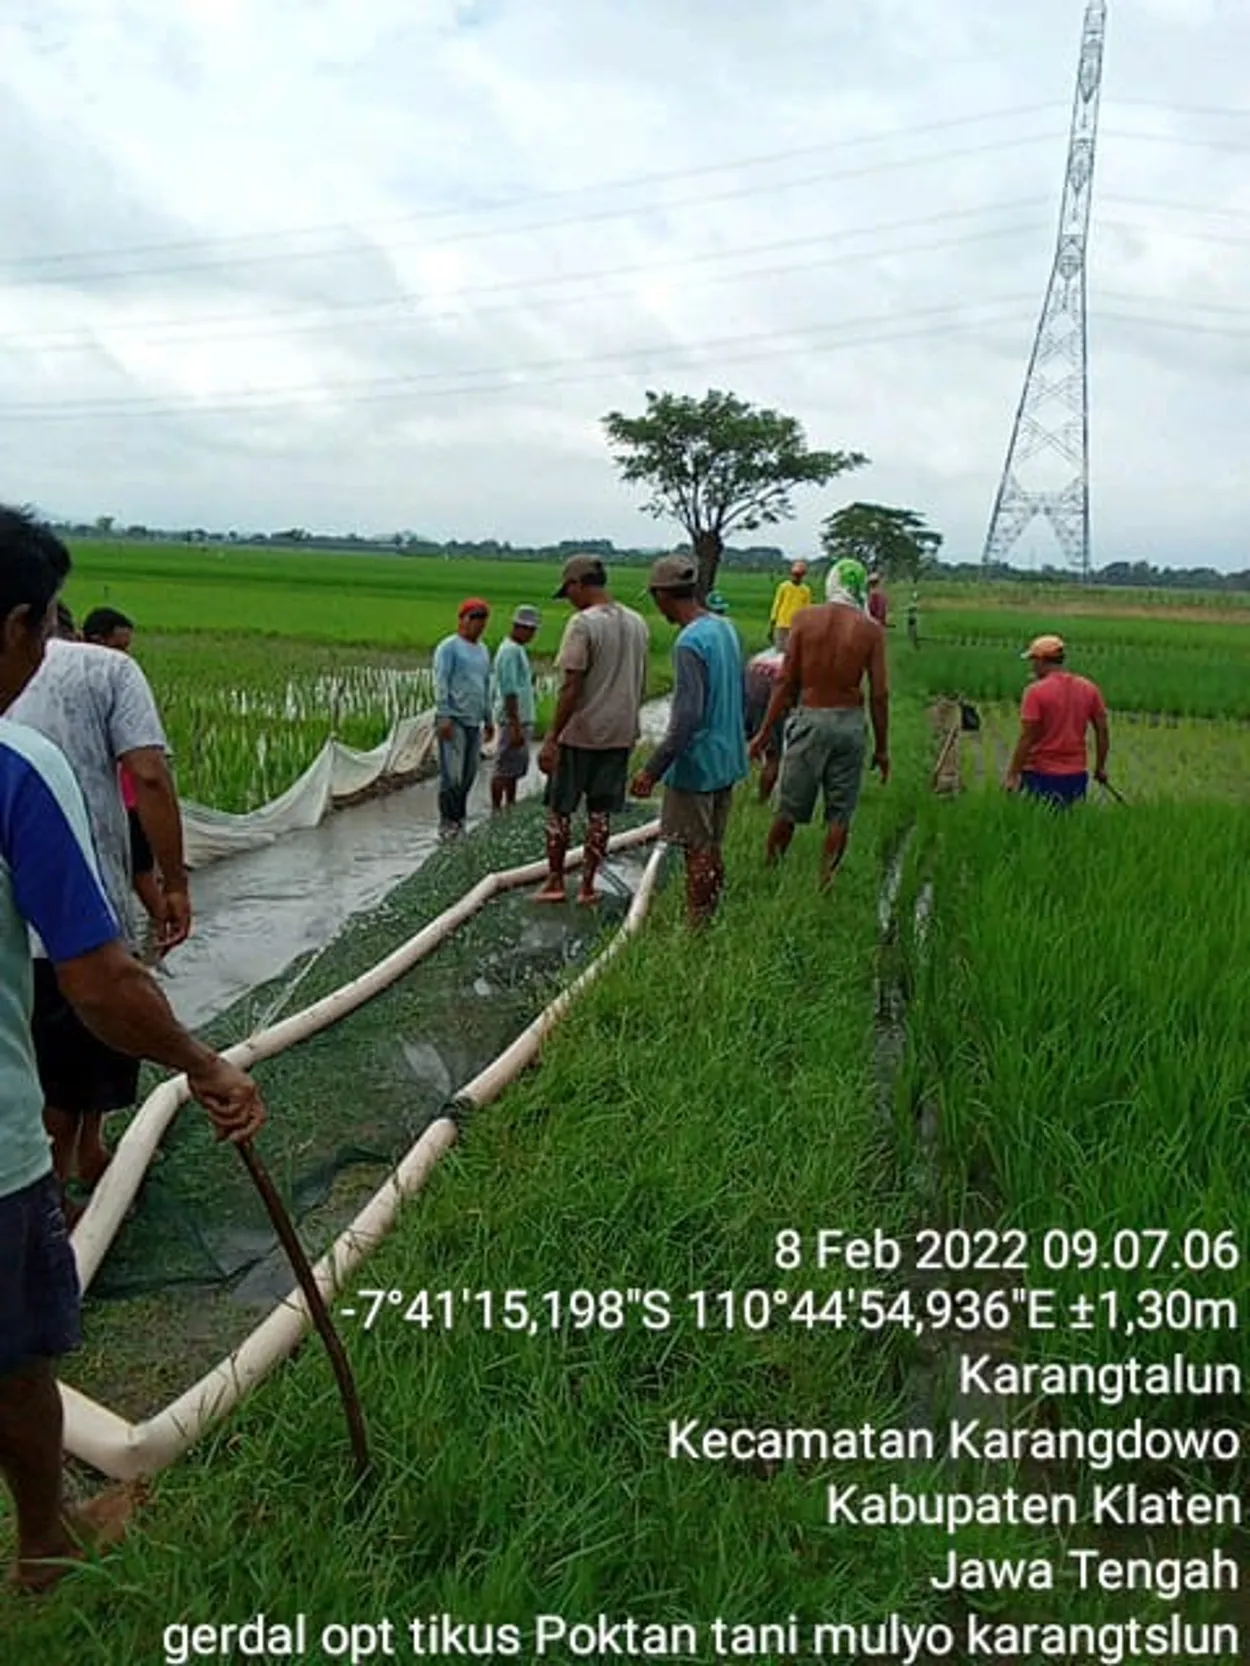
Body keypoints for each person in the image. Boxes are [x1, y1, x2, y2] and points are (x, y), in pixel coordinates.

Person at [0, 505, 265, 1593]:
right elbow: (99, 981)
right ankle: (48, 1546)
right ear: (22, 626)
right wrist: (203, 1063)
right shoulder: (17, 767)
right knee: (17, 1352)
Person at [13, 599, 192, 1211]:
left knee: (46, 1060)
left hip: (18, 928)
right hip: (79, 917)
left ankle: (84, 1161)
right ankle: (54, 1201)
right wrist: (175, 884)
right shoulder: (109, 671)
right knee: (81, 1050)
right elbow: (148, 775)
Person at [749, 557, 889, 889]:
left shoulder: (805, 620)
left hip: (810, 716)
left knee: (788, 806)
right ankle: (825, 881)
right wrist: (882, 749)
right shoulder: (871, 630)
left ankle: (770, 871)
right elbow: (880, 694)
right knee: (840, 813)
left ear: (830, 584)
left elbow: (785, 682)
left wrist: (764, 732)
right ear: (859, 590)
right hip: (850, 723)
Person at [629, 556, 747, 927]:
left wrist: (652, 770)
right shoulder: (724, 628)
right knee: (712, 844)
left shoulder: (689, 643)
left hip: (698, 766)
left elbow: (686, 719)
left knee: (696, 849)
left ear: (663, 595)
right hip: (727, 758)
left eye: (655, 597)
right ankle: (711, 913)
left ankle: (697, 928)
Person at [535, 555, 648, 906]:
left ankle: (555, 882)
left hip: (580, 731)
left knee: (560, 811)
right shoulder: (638, 622)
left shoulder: (583, 624)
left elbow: (571, 684)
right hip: (620, 732)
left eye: (568, 590)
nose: (569, 598)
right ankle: (587, 886)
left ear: (578, 585)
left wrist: (552, 737)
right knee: (600, 814)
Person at [81, 607, 163, 929]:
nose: (125, 656)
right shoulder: (82, 684)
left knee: (140, 869)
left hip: (130, 799)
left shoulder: (119, 680)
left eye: (128, 648)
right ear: (94, 641)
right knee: (138, 872)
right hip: (114, 800)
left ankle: (157, 926)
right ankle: (163, 928)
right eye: (119, 647)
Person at [1006, 634, 1109, 807]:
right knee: (1068, 828)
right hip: (1076, 775)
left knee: (1039, 828)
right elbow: (1103, 731)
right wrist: (1100, 767)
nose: (1032, 666)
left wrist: (1013, 774)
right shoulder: (1089, 688)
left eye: (1033, 661)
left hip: (1040, 774)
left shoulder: (1035, 692)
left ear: (1041, 661)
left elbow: (1027, 737)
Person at [432, 599, 493, 839]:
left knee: (469, 774)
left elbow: (484, 686)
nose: (478, 625)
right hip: (453, 720)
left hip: (473, 721)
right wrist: (444, 714)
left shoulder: (483, 650)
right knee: (452, 775)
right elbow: (441, 681)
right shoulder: (449, 647)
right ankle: (448, 822)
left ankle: (460, 820)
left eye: (482, 621)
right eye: (473, 619)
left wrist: (488, 719)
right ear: (463, 620)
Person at [491, 605, 541, 812]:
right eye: (530, 630)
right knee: (504, 768)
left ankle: (509, 805)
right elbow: (509, 690)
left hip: (520, 719)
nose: (532, 634)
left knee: (514, 768)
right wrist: (515, 725)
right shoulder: (510, 651)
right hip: (514, 720)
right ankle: (496, 809)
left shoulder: (517, 649)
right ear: (519, 627)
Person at [743, 647, 787, 802]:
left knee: (739, 743)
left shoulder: (767, 655)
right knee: (773, 755)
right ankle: (762, 800)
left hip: (749, 684)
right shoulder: (804, 663)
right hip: (770, 692)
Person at [768, 560, 811, 651]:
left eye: (799, 575)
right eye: (795, 574)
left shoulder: (806, 590)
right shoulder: (783, 586)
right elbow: (777, 604)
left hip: (796, 626)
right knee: (780, 651)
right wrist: (772, 624)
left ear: (803, 576)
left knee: (794, 651)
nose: (796, 577)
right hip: (781, 624)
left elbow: (807, 609)